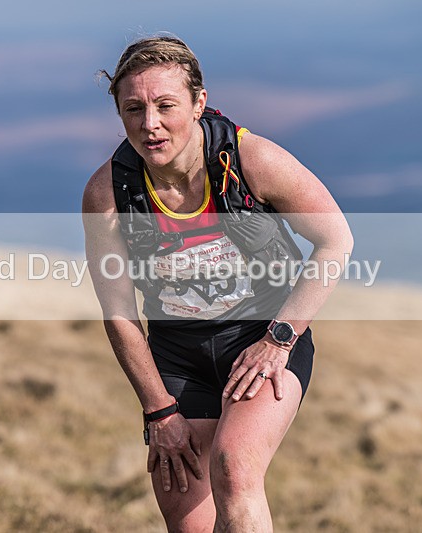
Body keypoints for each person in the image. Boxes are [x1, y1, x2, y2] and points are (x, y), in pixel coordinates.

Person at [82, 35, 353, 532]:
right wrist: (158, 411)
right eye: (133, 109)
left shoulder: (254, 161)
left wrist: (279, 339)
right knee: (190, 522)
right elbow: (119, 311)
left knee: (234, 467)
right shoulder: (107, 193)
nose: (150, 124)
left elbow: (336, 240)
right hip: (175, 358)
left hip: (260, 340)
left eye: (166, 106)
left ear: (199, 103)